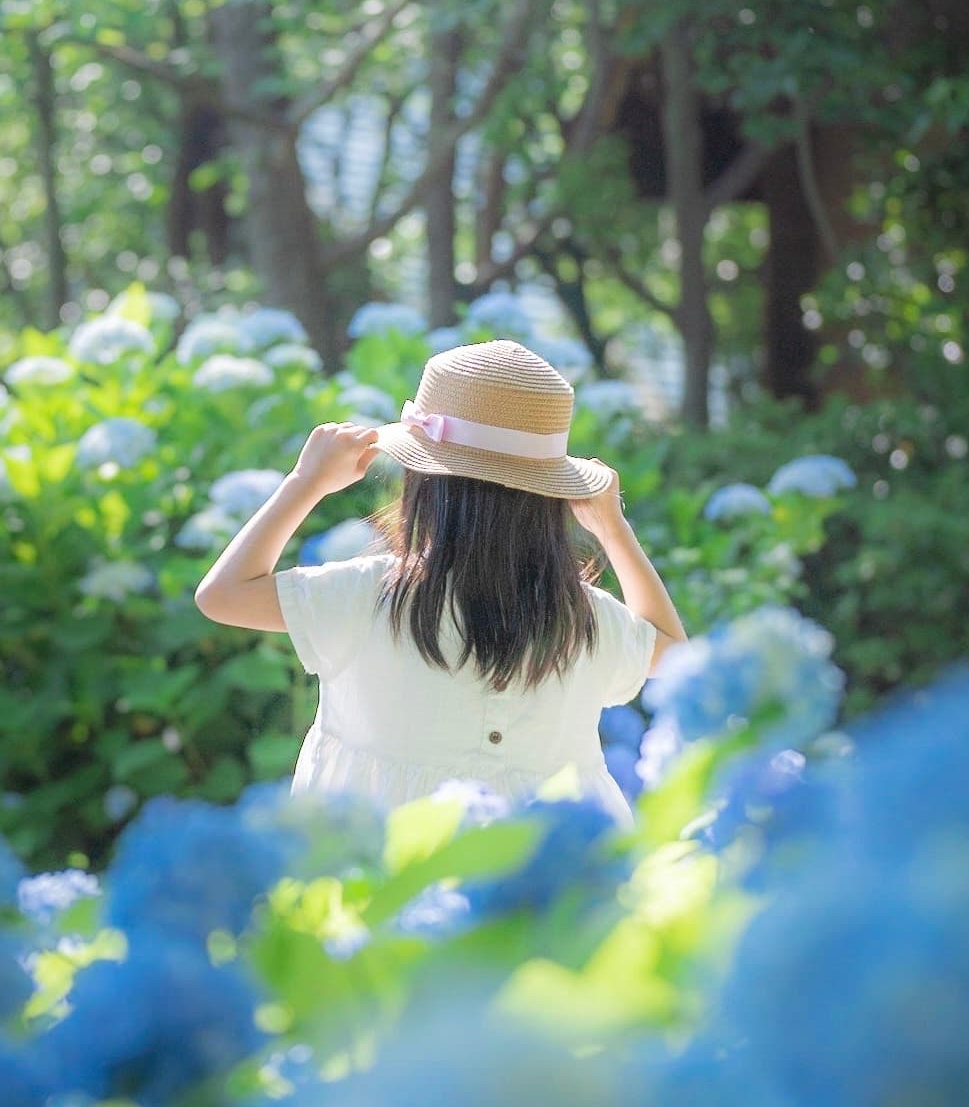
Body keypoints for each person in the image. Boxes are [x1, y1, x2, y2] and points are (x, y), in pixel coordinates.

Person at [194, 340, 686, 826]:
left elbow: (223, 595)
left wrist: (306, 482)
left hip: (383, 873)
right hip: (541, 880)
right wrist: (614, 530)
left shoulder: (371, 598)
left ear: (425, 486)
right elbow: (671, 652)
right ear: (551, 502)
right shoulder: (581, 619)